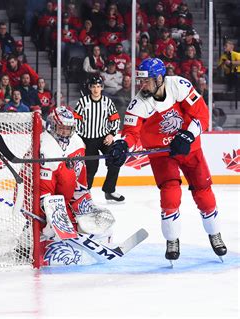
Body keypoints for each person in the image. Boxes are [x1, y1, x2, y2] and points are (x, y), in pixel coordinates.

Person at [107, 58, 227, 263]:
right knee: (170, 195)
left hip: (188, 147)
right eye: (140, 81)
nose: (141, 85)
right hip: (161, 152)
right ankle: (172, 239)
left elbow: (202, 115)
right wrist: (122, 145)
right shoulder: (139, 103)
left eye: (146, 81)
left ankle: (214, 233)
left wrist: (188, 136)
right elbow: (131, 132)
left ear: (160, 78)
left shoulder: (178, 85)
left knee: (203, 191)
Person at [39, 106, 114, 241]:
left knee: (96, 224)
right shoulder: (44, 147)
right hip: (45, 202)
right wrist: (52, 217)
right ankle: (35, 235)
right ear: (52, 125)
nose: (64, 132)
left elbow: (80, 181)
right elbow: (43, 192)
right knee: (50, 231)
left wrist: (86, 204)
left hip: (64, 201)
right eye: (61, 127)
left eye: (68, 129)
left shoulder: (77, 143)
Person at [73, 75, 124, 202]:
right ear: (90, 88)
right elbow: (75, 121)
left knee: (115, 159)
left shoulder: (107, 102)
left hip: (104, 138)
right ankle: (86, 193)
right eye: (93, 87)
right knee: (91, 168)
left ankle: (109, 190)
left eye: (98, 87)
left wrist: (111, 134)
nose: (96, 89)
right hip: (88, 140)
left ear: (102, 88)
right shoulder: (83, 102)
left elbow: (115, 119)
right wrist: (80, 139)